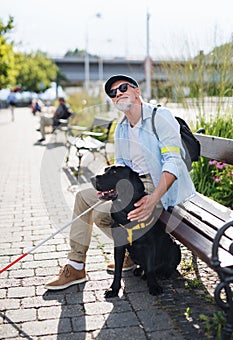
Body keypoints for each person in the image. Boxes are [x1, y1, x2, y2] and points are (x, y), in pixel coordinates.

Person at [45, 74, 196, 290]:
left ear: (136, 91)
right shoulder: (122, 128)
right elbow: (122, 167)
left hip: (161, 185)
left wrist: (153, 199)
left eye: (123, 88)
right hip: (135, 186)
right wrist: (110, 189)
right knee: (85, 199)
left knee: (106, 216)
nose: (118, 94)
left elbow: (172, 162)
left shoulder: (159, 117)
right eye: (112, 93)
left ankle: (130, 251)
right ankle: (76, 265)